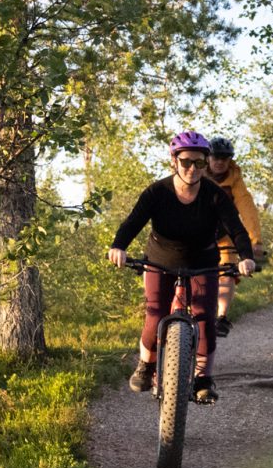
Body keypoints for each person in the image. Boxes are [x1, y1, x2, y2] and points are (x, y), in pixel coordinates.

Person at [108, 130, 256, 404]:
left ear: (206, 164)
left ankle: (203, 378)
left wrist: (246, 256)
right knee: (155, 315)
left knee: (205, 318)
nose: (192, 168)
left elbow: (236, 229)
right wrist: (119, 246)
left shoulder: (214, 195)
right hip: (160, 260)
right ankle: (147, 365)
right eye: (186, 161)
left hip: (203, 261)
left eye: (200, 163)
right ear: (174, 161)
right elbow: (133, 222)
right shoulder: (157, 192)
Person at [204, 135, 264, 337]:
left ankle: (221, 317)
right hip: (197, 232)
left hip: (224, 234)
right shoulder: (196, 173)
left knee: (227, 272)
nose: (220, 162)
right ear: (208, 158)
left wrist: (255, 239)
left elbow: (247, 207)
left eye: (225, 158)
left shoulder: (235, 179)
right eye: (216, 157)